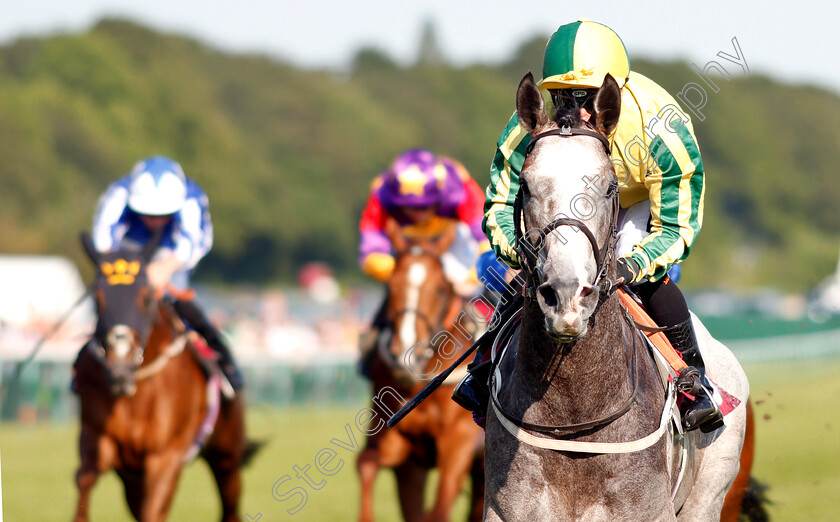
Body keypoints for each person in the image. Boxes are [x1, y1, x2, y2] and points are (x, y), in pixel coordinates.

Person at [455, 20, 723, 433]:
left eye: (587, 98)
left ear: (612, 95)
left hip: (634, 205)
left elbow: (677, 225)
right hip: (563, 206)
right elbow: (500, 207)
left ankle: (693, 382)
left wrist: (632, 266)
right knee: (534, 276)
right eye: (562, 96)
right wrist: (522, 253)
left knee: (645, 281)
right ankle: (483, 366)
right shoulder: (523, 130)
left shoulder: (661, 130)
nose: (572, 111)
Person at [84, 155, 244, 393]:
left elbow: (194, 242)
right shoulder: (119, 192)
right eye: (148, 215)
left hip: (171, 256)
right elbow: (103, 238)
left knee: (184, 306)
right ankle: (84, 369)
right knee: (108, 304)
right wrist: (124, 274)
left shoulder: (192, 198)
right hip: (127, 255)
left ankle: (226, 365)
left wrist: (165, 268)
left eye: (163, 215)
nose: (156, 221)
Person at [357, 149, 491, 378]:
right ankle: (372, 355)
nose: (417, 214)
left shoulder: (458, 185)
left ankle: (492, 349)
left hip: (456, 242)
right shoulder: (381, 192)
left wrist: (472, 276)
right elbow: (370, 252)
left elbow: (488, 237)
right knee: (402, 297)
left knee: (491, 294)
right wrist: (404, 275)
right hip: (406, 250)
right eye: (408, 207)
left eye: (424, 207)